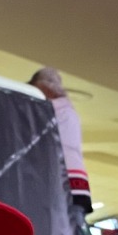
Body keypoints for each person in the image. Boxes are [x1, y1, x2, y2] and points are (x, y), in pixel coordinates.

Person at [30, 67, 93, 220]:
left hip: (64, 182)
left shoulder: (52, 111)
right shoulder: (68, 110)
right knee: (73, 227)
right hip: (76, 184)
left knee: (63, 227)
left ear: (45, 88)